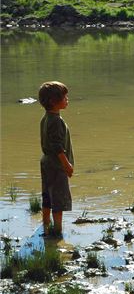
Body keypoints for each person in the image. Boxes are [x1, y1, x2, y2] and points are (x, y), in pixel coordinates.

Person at [38, 81, 74, 236]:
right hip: (56, 165)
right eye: (64, 97)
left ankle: (45, 225)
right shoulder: (56, 121)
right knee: (58, 199)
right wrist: (67, 165)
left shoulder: (46, 118)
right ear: (53, 101)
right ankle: (57, 231)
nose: (67, 99)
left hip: (46, 162)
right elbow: (57, 146)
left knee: (47, 195)